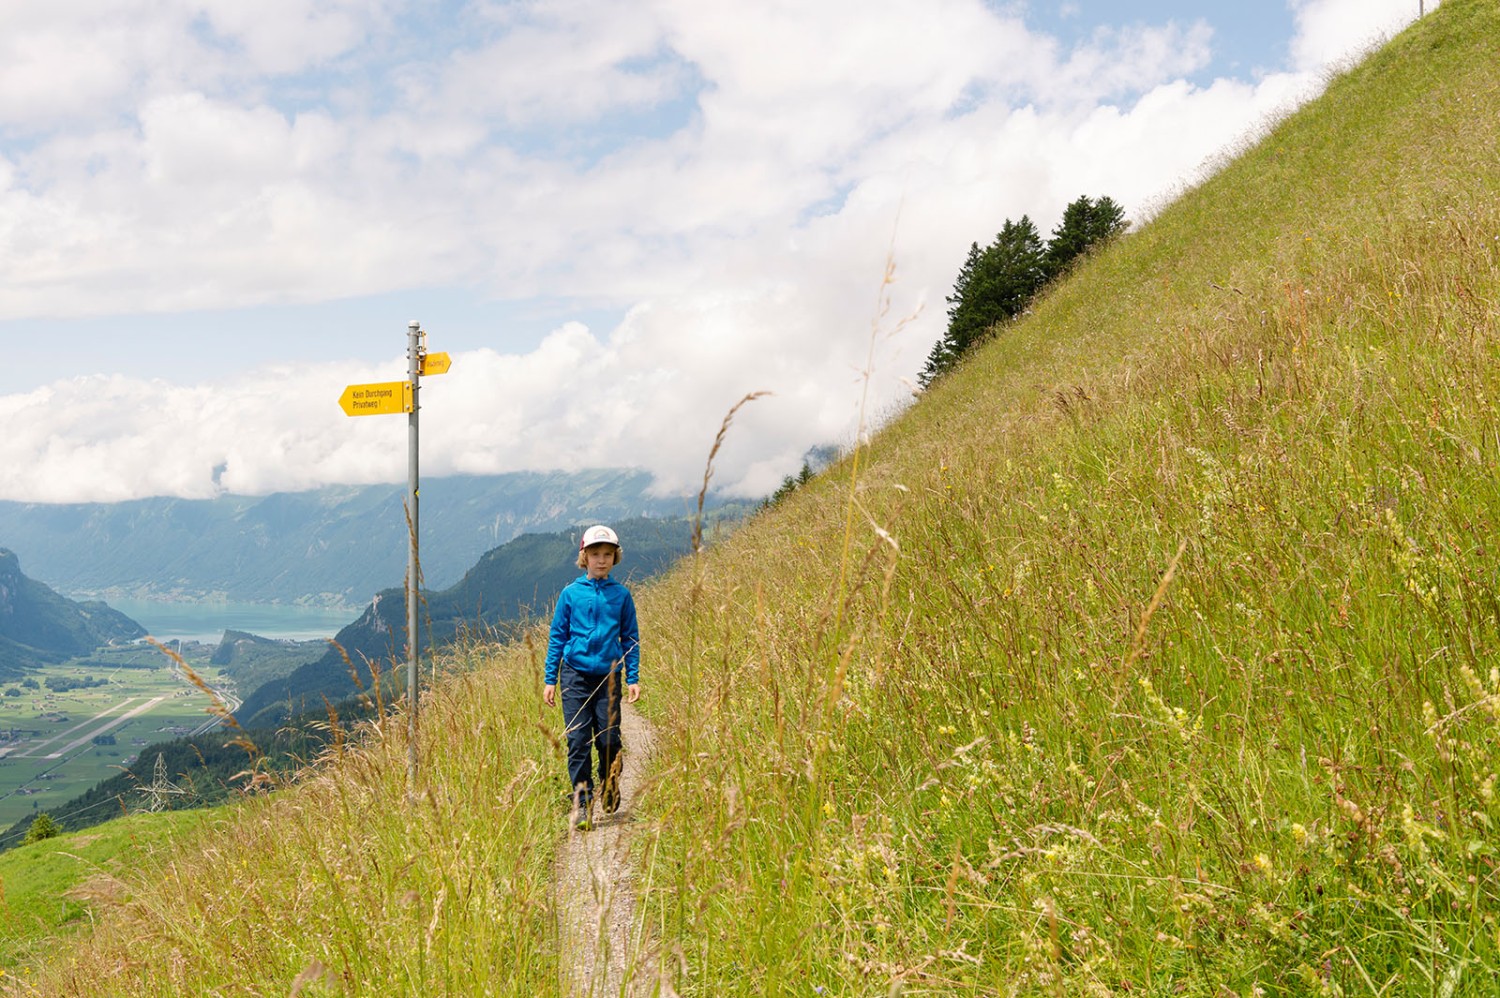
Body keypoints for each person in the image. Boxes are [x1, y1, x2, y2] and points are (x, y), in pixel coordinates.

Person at [543, 524, 641, 830]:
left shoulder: (621, 596)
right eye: (595, 554)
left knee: (609, 739)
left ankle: (610, 782)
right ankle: (582, 804)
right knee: (577, 740)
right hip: (574, 675)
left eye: (608, 555)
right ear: (584, 557)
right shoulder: (570, 595)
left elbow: (630, 638)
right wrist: (550, 679)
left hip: (609, 676)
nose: (602, 560)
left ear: (615, 558)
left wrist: (633, 677)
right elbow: (557, 636)